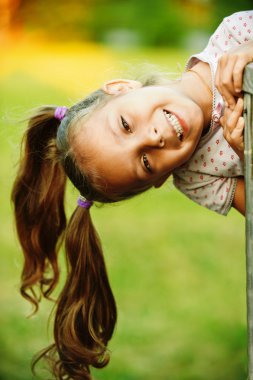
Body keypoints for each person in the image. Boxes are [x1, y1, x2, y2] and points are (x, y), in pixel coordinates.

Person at [11, 10, 253, 380]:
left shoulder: (234, 36)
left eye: (125, 124)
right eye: (145, 162)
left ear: (121, 87)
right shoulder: (196, 178)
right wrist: (247, 156)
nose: (152, 139)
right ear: (159, 180)